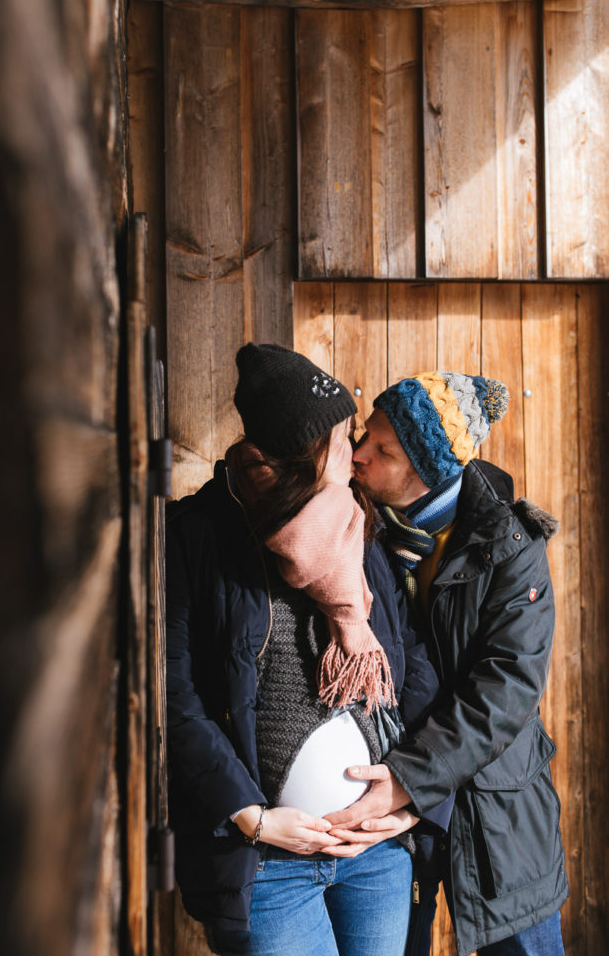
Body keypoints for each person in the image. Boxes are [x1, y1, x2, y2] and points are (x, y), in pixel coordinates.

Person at [166, 345, 446, 956]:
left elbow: (410, 660)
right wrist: (251, 817)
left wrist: (413, 795)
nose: (355, 454)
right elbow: (174, 693)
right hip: (266, 863)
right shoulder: (201, 533)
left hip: (375, 850)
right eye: (343, 438)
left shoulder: (355, 520)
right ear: (305, 453)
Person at [325, 372, 568, 956]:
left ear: (426, 474)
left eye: (382, 451)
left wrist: (408, 780)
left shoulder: (510, 550)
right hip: (391, 804)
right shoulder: (357, 529)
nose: (358, 456)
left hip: (497, 805)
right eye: (365, 437)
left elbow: (505, 691)